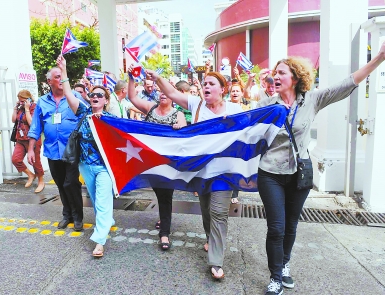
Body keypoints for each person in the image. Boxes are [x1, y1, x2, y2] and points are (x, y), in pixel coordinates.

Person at [256, 42, 385, 295]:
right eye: (275, 72)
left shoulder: (312, 100)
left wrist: (379, 58)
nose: (276, 76)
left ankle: (284, 266)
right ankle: (274, 277)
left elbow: (347, 84)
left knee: (291, 225)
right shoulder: (267, 104)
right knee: (276, 227)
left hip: (299, 174)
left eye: (281, 72)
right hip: (270, 173)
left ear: (295, 77)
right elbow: (246, 130)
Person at [144, 68, 243, 279]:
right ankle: (210, 237)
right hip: (202, 171)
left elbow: (249, 129)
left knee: (219, 213)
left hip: (224, 172)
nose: (206, 87)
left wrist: (234, 122)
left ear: (223, 89)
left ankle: (216, 261)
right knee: (207, 211)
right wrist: (158, 78)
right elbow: (172, 94)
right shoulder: (196, 104)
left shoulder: (235, 108)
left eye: (211, 84)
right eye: (204, 84)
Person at [56, 55, 116, 257]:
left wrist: (105, 123)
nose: (95, 97)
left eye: (100, 95)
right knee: (97, 199)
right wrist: (63, 70)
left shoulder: (111, 119)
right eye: (93, 94)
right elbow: (68, 94)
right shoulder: (83, 111)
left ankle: (99, 241)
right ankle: (106, 221)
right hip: (85, 166)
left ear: (106, 100)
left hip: (104, 168)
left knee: (101, 200)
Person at [128, 64, 187, 250]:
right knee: (160, 194)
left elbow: (184, 134)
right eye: (160, 90)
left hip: (168, 165)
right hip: (150, 164)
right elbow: (132, 97)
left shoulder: (178, 114)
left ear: (172, 95)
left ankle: (165, 234)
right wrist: (131, 77)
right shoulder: (150, 108)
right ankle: (164, 217)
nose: (162, 93)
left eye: (166, 90)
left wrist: (179, 128)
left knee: (165, 197)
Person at [27, 67, 83, 232]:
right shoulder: (42, 102)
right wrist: (31, 150)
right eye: (57, 77)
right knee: (60, 183)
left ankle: (78, 216)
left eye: (62, 76)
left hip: (71, 149)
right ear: (49, 81)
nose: (61, 79)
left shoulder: (74, 97)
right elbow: (36, 127)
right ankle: (67, 215)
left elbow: (86, 116)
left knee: (71, 183)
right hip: (52, 150)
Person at [11, 90, 45, 193]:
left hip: (32, 139)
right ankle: (30, 174)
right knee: (15, 159)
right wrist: (15, 108)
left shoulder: (34, 107)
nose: (21, 102)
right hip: (20, 139)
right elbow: (13, 120)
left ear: (28, 99)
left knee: (35, 161)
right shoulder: (20, 107)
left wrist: (26, 109)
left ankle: (41, 181)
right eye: (19, 100)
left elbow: (32, 123)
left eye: (22, 100)